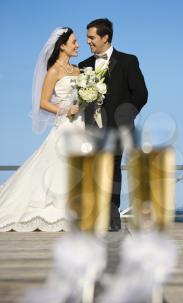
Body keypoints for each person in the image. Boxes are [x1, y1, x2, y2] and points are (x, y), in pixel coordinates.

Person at [0, 27, 84, 232]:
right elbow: (42, 103)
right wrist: (65, 109)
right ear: (62, 45)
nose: (78, 45)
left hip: (82, 124)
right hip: (65, 124)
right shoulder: (53, 71)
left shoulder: (80, 70)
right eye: (73, 41)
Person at [79, 18, 148, 232]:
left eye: (91, 37)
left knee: (113, 169)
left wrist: (125, 117)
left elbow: (141, 95)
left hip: (118, 126)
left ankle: (112, 214)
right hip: (89, 128)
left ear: (105, 37)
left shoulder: (128, 61)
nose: (88, 41)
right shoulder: (83, 66)